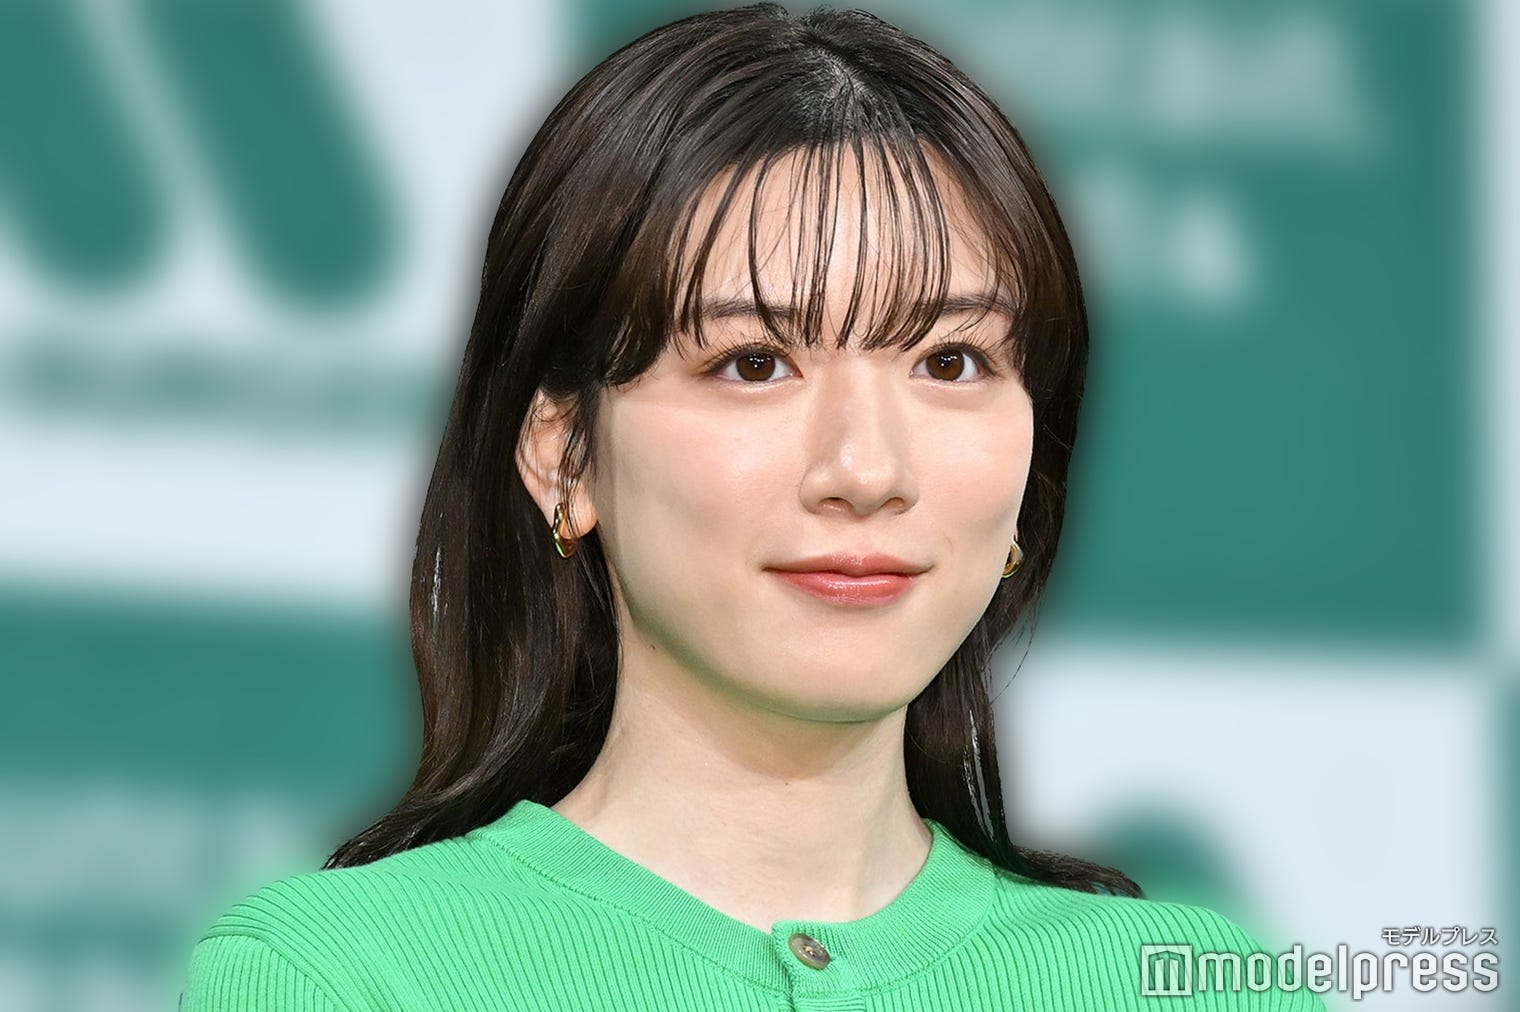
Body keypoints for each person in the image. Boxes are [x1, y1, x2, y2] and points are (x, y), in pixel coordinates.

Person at [181, 5, 1325, 1009]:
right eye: (751, 362)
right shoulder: (341, 975)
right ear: (564, 451)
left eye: (950, 361)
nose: (865, 469)